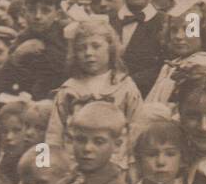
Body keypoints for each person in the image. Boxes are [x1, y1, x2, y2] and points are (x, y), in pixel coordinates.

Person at [46, 18, 142, 163]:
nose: (88, 53)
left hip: (115, 164)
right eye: (81, 48)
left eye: (96, 46)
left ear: (110, 49)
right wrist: (46, 165)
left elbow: (137, 129)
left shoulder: (125, 86)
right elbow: (53, 133)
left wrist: (132, 163)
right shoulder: (69, 90)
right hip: (74, 163)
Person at [56, 102, 129, 184]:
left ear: (117, 145)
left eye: (98, 142)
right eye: (81, 140)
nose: (87, 148)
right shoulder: (67, 181)